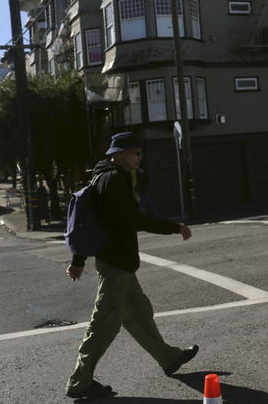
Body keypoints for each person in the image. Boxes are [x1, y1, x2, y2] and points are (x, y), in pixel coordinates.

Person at [64, 132, 198, 400]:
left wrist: (78, 259)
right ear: (120, 153)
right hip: (116, 263)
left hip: (120, 262)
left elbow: (92, 219)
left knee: (139, 313)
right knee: (103, 324)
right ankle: (79, 383)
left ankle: (169, 358)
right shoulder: (113, 179)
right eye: (136, 153)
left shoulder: (105, 176)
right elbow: (134, 218)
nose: (139, 157)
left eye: (139, 152)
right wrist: (174, 227)